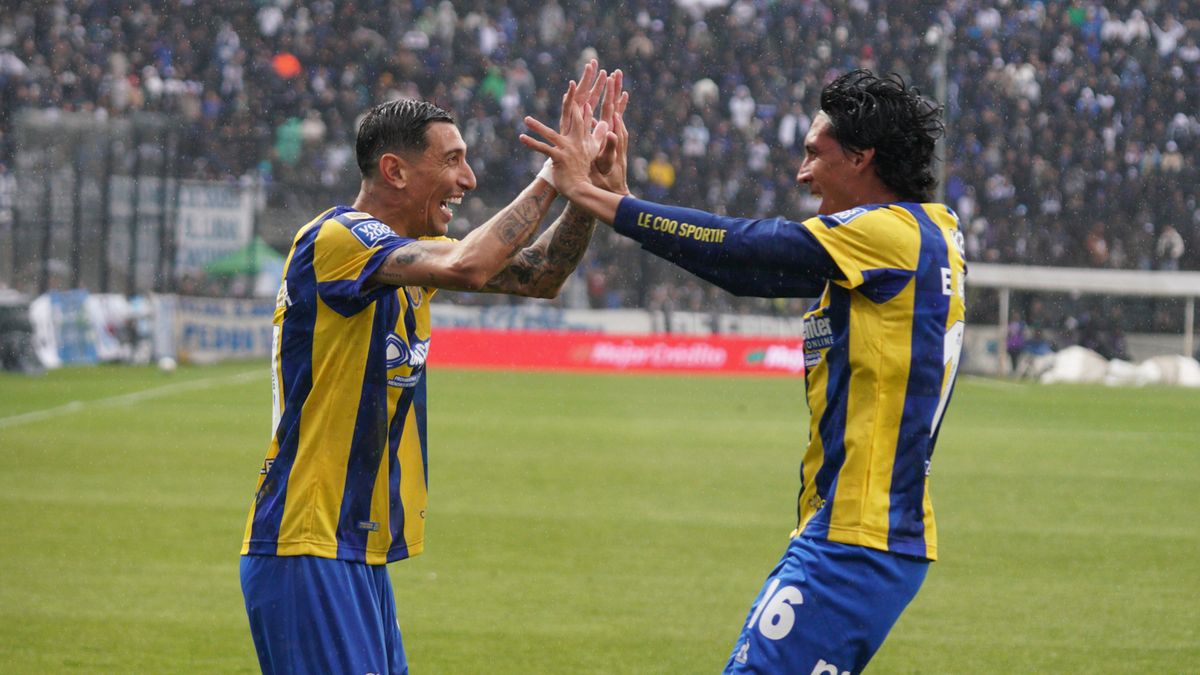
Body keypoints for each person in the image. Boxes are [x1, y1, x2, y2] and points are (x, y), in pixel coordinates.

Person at [523, 69, 966, 674]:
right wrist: (621, 202)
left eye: (815, 153)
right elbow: (752, 269)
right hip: (863, 534)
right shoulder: (930, 232)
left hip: (856, 538)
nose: (803, 173)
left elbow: (744, 252)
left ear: (862, 157)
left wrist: (596, 196)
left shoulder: (890, 234)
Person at [239, 60, 626, 674]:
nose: (468, 179)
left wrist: (589, 194)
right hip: (306, 540)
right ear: (394, 170)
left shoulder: (413, 257)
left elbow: (542, 274)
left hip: (354, 547)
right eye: (452, 160)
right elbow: (467, 266)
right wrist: (555, 174)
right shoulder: (337, 238)